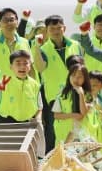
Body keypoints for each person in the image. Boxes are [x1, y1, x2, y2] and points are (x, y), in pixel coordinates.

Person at [32, 15, 83, 150]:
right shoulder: (43, 49)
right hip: (55, 97)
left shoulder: (75, 45)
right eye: (52, 28)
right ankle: (51, 161)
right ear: (47, 31)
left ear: (64, 28)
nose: (55, 31)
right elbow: (39, 67)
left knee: (76, 128)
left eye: (58, 27)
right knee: (52, 131)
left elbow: (83, 68)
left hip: (75, 93)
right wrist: (36, 48)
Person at [0, 49, 42, 124]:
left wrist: (38, 119)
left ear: (30, 66)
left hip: (27, 124)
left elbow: (39, 108)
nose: (22, 67)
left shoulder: (36, 85)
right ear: (11, 66)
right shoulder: (4, 83)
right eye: (18, 64)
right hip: (5, 123)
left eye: (25, 63)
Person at [52, 64, 94, 144]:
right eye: (73, 75)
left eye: (80, 77)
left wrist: (81, 94)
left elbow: (83, 113)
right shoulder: (63, 93)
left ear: (85, 79)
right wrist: (72, 115)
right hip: (64, 133)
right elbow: (56, 115)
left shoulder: (88, 95)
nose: (76, 79)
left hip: (81, 134)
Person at [0, 8, 31, 78]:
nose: (9, 23)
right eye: (5, 20)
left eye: (11, 20)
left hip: (20, 87)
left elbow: (30, 67)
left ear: (17, 23)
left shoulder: (25, 42)